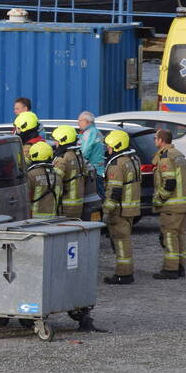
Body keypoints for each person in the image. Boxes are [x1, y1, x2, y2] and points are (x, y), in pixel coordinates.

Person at [102, 129, 142, 285]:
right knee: (124, 240)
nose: (108, 149)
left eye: (109, 146)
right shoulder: (133, 160)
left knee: (120, 241)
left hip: (120, 210)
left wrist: (106, 211)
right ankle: (126, 272)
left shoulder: (116, 164)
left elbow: (114, 191)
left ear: (116, 145)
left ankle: (123, 274)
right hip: (131, 208)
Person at [152, 128, 186, 280]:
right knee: (179, 236)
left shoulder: (166, 158)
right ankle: (180, 267)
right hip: (183, 204)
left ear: (161, 140)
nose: (154, 140)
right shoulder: (179, 155)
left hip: (171, 206)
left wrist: (159, 199)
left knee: (169, 236)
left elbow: (169, 183)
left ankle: (170, 269)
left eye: (155, 138)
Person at [51, 125, 85, 220]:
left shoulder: (62, 158)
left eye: (56, 140)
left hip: (65, 205)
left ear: (63, 141)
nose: (55, 143)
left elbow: (55, 182)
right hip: (78, 202)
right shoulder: (78, 154)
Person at [26, 141, 61, 219]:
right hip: (53, 219)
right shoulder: (57, 175)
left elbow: (25, 198)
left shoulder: (31, 174)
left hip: (34, 220)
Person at [78, 111, 106, 197]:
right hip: (99, 170)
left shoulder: (89, 133)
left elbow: (85, 152)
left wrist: (77, 162)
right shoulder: (97, 132)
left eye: (80, 120)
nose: (78, 123)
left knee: (95, 198)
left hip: (93, 172)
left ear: (87, 121)